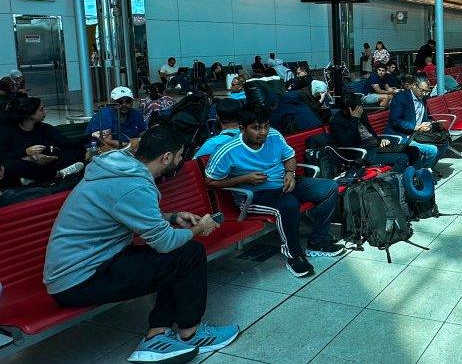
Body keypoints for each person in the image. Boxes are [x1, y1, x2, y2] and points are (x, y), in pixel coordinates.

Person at [44, 125, 240, 363]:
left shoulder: (119, 167)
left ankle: (158, 335)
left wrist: (172, 216)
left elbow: (124, 211)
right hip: (80, 280)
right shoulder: (133, 185)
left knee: (177, 257)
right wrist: (200, 229)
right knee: (187, 253)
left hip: (88, 267)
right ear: (166, 157)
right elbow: (165, 242)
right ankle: (191, 333)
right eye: (179, 156)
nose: (180, 160)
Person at [204, 105, 343, 277]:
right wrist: (244, 179)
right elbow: (210, 181)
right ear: (242, 128)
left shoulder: (274, 136)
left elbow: (289, 157)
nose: (263, 132)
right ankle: (294, 256)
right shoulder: (228, 151)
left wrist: (290, 173)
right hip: (254, 196)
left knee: (329, 188)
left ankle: (318, 241)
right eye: (256, 128)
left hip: (285, 185)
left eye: (266, 126)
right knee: (288, 204)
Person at [0, 96, 86, 186]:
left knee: (77, 151)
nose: (45, 112)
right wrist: (26, 153)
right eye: (41, 110)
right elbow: (3, 156)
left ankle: (33, 178)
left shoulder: (44, 128)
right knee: (10, 166)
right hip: (20, 164)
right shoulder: (6, 131)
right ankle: (57, 174)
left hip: (45, 161)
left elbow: (66, 143)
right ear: (30, 114)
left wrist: (51, 158)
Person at [330, 93, 414, 172]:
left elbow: (370, 131)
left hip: (375, 146)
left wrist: (380, 140)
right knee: (402, 158)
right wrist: (354, 119)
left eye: (360, 107)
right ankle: (392, 179)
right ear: (346, 110)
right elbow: (348, 142)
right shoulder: (337, 121)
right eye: (357, 109)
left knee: (412, 151)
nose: (360, 111)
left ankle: (410, 178)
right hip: (363, 152)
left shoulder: (361, 112)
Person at [385, 74, 443, 170]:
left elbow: (424, 118)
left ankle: (424, 169)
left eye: (427, 91)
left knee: (444, 141)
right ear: (413, 86)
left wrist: (431, 125)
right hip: (401, 136)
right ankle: (417, 172)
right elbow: (395, 121)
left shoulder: (423, 98)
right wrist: (415, 127)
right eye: (422, 90)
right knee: (432, 150)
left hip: (417, 134)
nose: (424, 93)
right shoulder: (401, 97)